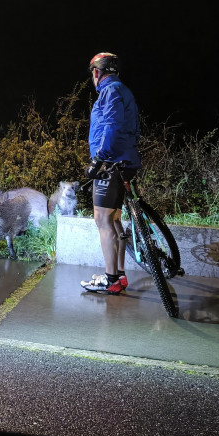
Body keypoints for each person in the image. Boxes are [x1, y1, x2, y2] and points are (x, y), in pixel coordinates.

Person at [80, 52, 141, 294]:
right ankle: (120, 276)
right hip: (127, 160)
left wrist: (99, 160)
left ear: (97, 72)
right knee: (114, 220)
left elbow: (111, 126)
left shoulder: (108, 91)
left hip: (111, 163)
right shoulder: (124, 90)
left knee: (102, 220)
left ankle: (110, 278)